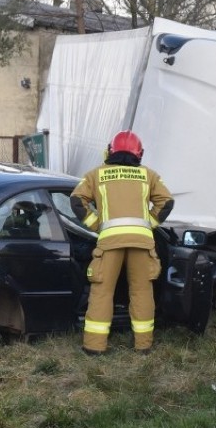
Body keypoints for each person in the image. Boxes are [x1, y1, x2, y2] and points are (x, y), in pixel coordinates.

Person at [70, 130, 174, 355]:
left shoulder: (95, 175)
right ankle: (143, 346)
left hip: (109, 242)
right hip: (142, 242)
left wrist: (97, 225)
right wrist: (149, 223)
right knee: (142, 291)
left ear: (110, 150)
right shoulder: (149, 175)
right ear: (139, 153)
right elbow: (166, 202)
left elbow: (77, 201)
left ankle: (94, 347)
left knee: (102, 292)